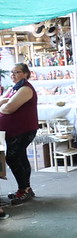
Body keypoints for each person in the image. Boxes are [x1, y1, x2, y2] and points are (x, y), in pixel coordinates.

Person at [0, 64, 39, 212]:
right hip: (14, 130)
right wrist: (4, 103)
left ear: (26, 74)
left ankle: (24, 189)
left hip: (23, 130)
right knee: (20, 157)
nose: (13, 75)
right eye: (12, 72)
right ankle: (25, 189)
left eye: (17, 72)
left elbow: (8, 108)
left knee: (13, 158)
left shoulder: (25, 89)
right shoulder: (15, 88)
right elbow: (3, 101)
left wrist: (4, 105)